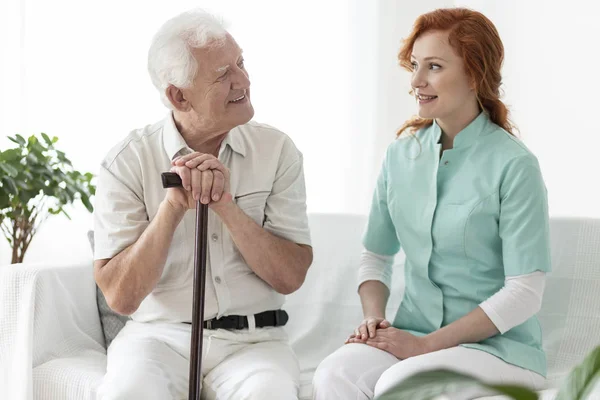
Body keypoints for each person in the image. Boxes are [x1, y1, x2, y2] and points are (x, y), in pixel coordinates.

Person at [313, 7, 550, 399]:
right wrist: (374, 320)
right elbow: (376, 257)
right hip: (412, 336)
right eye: (415, 65)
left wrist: (427, 346)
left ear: (475, 75)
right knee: (334, 373)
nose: (416, 81)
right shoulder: (399, 156)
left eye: (434, 67)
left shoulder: (515, 165)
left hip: (499, 350)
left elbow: (525, 292)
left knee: (400, 385)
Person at [93, 9, 312, 400]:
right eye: (222, 74)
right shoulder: (125, 161)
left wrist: (225, 204)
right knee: (126, 392)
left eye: (241, 63)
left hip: (255, 343)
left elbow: (291, 277)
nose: (243, 80)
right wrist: (173, 208)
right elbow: (121, 298)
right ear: (178, 95)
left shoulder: (277, 151)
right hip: (157, 339)